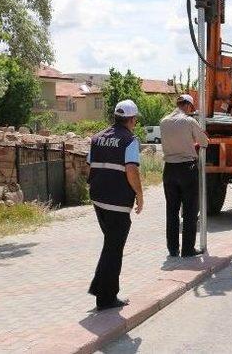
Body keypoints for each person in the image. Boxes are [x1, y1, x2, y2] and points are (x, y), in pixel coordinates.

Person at [87, 99, 144, 311]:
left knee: (110, 245)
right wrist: (139, 194)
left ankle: (101, 289)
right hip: (118, 202)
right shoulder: (129, 140)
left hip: (98, 198)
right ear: (132, 119)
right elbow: (132, 170)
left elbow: (89, 166)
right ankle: (106, 297)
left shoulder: (97, 138)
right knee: (114, 248)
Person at [160, 94, 210, 257]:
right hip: (187, 169)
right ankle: (188, 250)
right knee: (190, 210)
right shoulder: (189, 121)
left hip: (169, 170)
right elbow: (204, 142)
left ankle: (172, 249)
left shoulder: (164, 121)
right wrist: (195, 143)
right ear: (188, 105)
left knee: (171, 210)